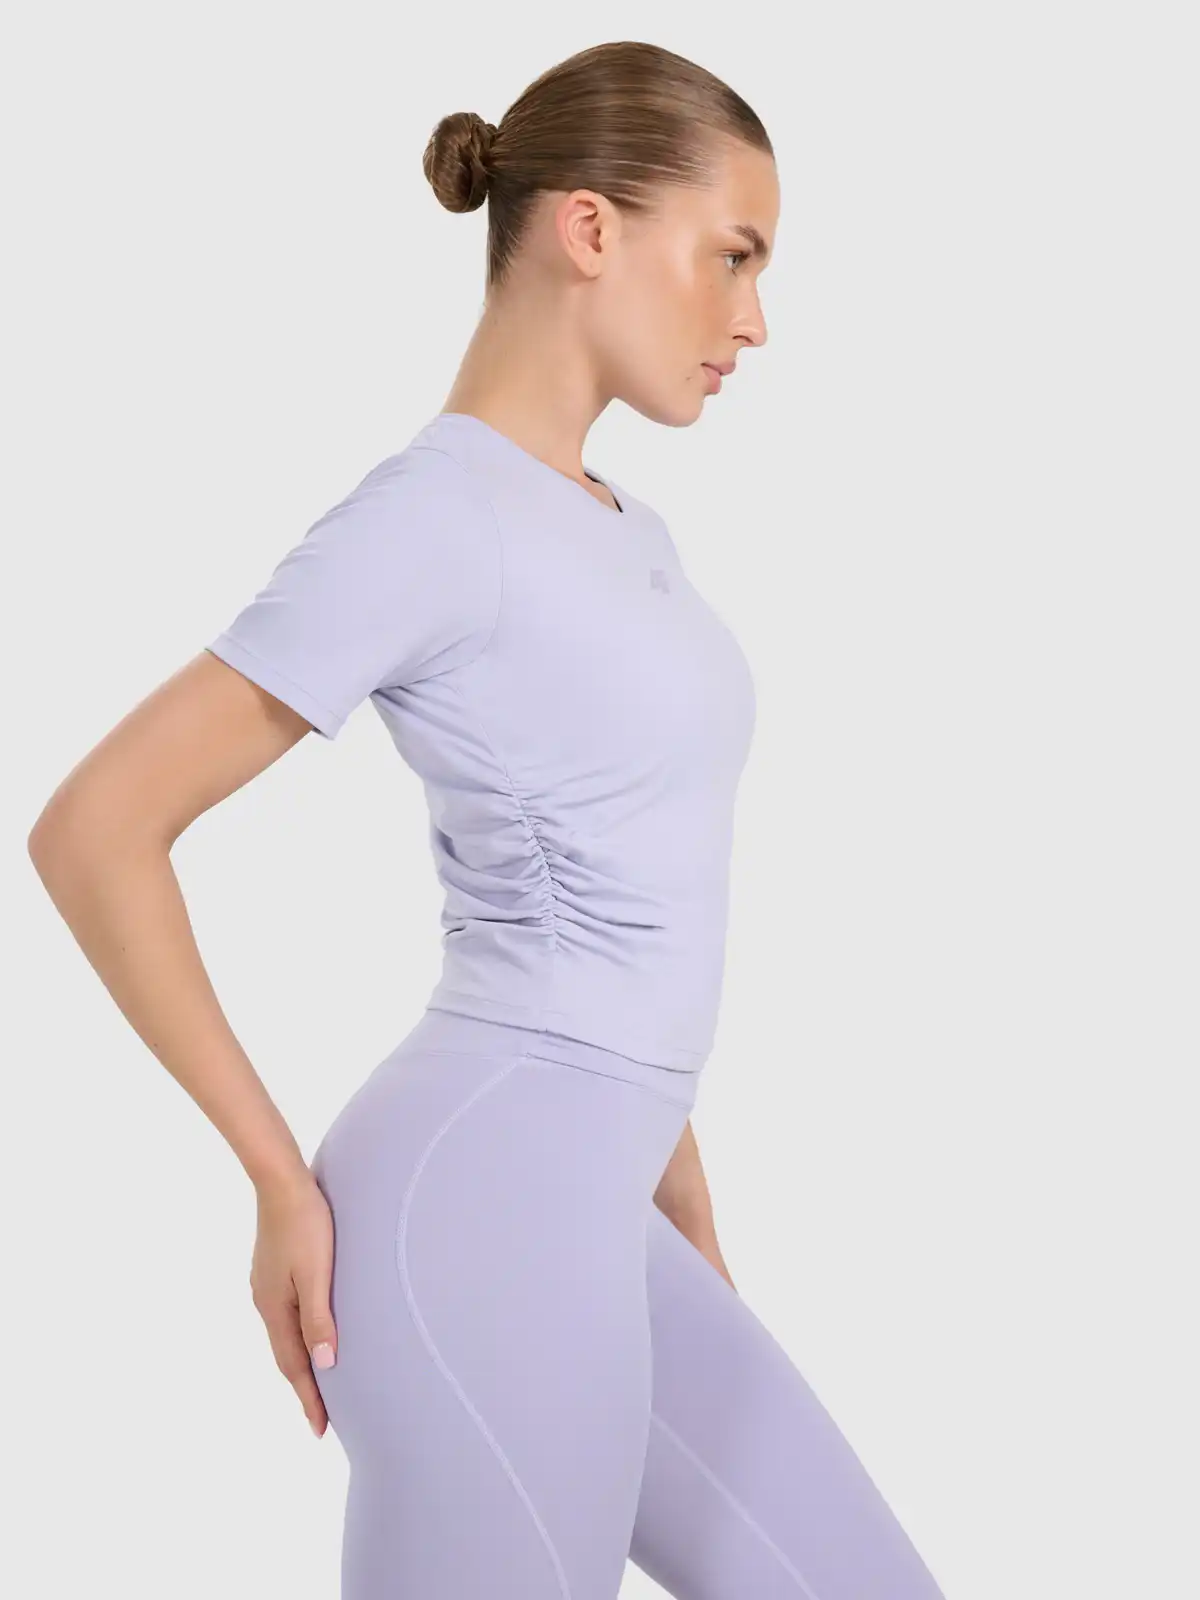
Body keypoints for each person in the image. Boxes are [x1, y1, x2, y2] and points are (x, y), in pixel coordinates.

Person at [27, 38, 947, 1600]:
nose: (755, 319)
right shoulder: (433, 517)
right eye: (733, 256)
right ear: (590, 229)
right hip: (481, 1208)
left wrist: (680, 1199)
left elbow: (630, 882)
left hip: (606, 1205)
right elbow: (94, 828)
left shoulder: (624, 530)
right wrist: (277, 1179)